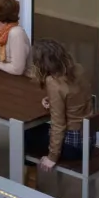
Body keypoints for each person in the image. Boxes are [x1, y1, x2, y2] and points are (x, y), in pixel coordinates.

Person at [24, 38, 92, 178]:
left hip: (73, 146)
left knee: (26, 134)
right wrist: (53, 100)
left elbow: (58, 125)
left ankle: (30, 179)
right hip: (88, 140)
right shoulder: (78, 69)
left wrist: (52, 157)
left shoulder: (53, 83)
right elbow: (75, 97)